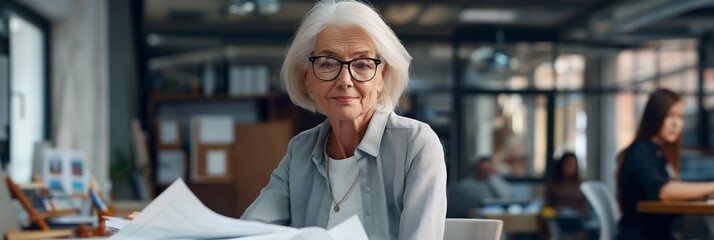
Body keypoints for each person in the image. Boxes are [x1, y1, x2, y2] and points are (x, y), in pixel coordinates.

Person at [240, 1, 447, 239]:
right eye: (328, 64)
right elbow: (250, 230)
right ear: (307, 78)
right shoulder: (301, 150)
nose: (345, 80)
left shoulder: (415, 144)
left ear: (382, 76)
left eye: (361, 64)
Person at [616, 88, 714, 240]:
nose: (676, 124)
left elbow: (670, 191)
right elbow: (663, 191)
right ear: (654, 116)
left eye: (681, 117)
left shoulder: (659, 153)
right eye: (669, 115)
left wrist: (704, 194)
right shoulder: (640, 151)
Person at [447, 156, 512, 218]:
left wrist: (491, 177)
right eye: (481, 170)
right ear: (476, 169)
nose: (484, 172)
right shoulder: (463, 187)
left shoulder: (497, 184)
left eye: (488, 170)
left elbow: (507, 198)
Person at [544, 152, 590, 239]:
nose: (570, 167)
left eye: (573, 165)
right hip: (558, 221)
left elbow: (585, 207)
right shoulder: (554, 184)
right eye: (568, 164)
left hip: (577, 222)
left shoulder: (582, 185)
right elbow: (547, 205)